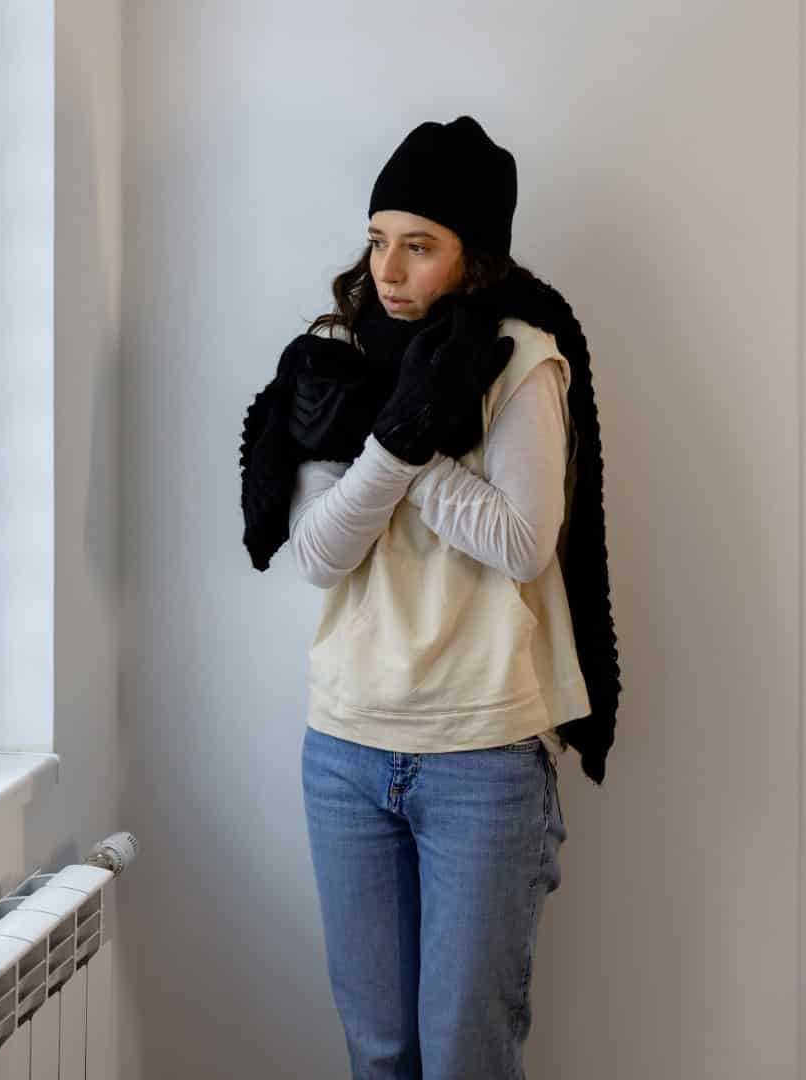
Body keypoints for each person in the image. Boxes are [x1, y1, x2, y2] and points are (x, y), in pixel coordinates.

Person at [242, 116, 615, 1079]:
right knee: (380, 1054)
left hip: (483, 760)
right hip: (346, 751)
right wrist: (394, 435)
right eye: (377, 240)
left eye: (420, 245)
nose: (389, 269)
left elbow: (524, 543)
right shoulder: (331, 354)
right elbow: (320, 553)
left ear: (473, 259)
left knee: (465, 1059)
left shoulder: (519, 359)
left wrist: (410, 449)